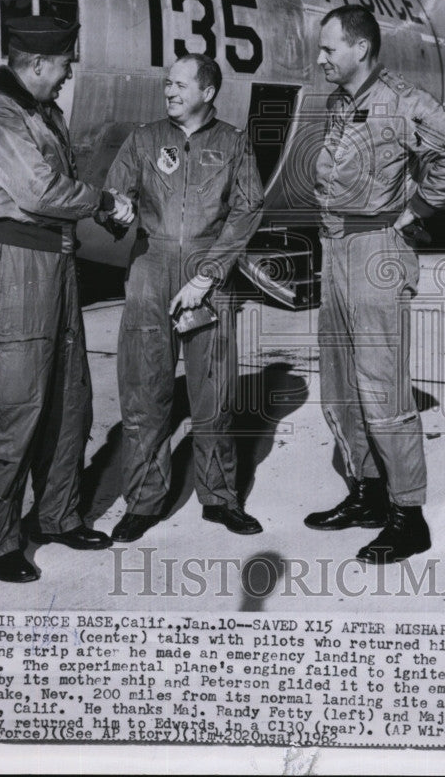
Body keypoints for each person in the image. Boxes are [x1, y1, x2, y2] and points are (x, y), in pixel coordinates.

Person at [0, 16, 134, 583]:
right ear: (36, 65)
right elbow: (38, 191)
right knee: (18, 406)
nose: (67, 77)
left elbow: (56, 195)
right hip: (16, 265)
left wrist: (91, 209)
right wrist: (103, 201)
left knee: (68, 397)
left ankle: (57, 515)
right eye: (63, 66)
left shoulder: (42, 113)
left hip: (57, 260)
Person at [306, 5, 445, 563]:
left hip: (377, 251)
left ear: (361, 48)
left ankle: (409, 516)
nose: (321, 58)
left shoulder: (403, 101)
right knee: (339, 383)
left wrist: (419, 208)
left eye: (330, 48)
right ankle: (368, 493)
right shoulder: (340, 102)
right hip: (335, 249)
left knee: (381, 388)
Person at [104, 54, 265, 542]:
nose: (169, 90)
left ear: (208, 91)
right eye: (167, 84)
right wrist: (117, 210)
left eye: (179, 84)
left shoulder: (233, 144)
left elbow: (247, 209)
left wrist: (210, 272)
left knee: (213, 395)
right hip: (150, 269)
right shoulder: (144, 139)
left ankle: (219, 498)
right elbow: (112, 196)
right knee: (145, 391)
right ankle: (145, 501)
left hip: (206, 276)